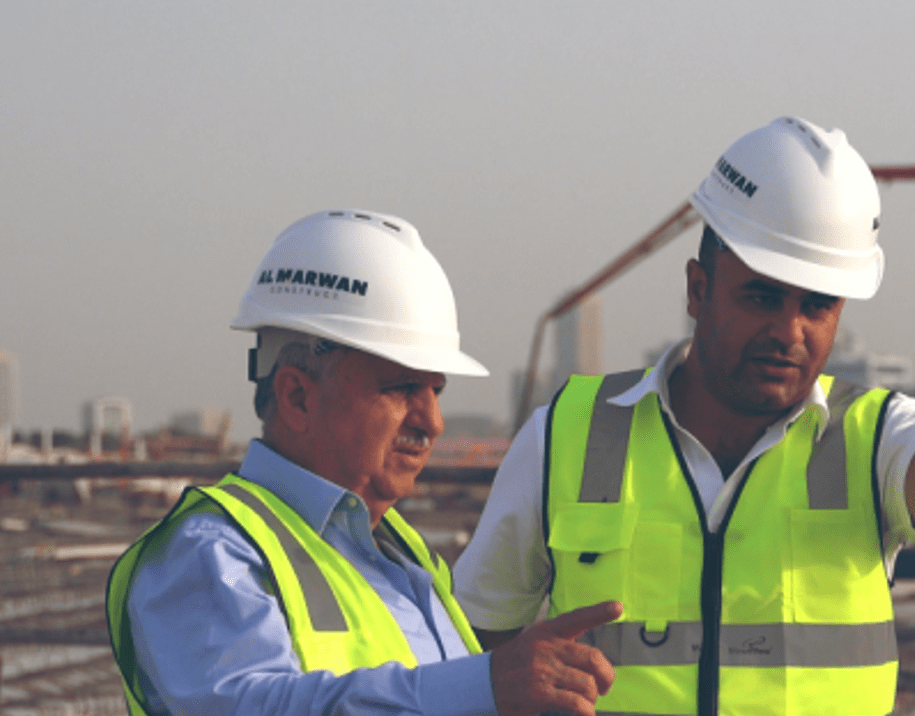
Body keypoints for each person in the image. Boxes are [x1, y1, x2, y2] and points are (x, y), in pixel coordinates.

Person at [453, 117, 915, 716]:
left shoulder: (874, 436)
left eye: (817, 306)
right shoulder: (567, 436)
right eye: (762, 297)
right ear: (698, 291)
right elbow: (475, 638)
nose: (789, 332)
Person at [106, 209, 621, 716]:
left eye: (436, 391)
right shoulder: (211, 557)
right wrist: (485, 684)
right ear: (297, 397)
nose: (433, 422)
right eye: (402, 388)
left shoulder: (405, 557)